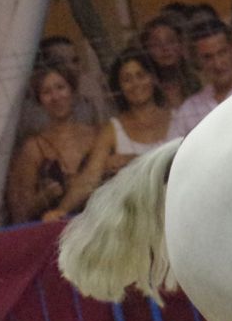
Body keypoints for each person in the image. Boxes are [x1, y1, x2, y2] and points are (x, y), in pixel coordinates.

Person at [43, 49, 174, 221]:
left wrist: (133, 161)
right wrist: (61, 210)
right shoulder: (113, 129)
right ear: (119, 87)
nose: (135, 84)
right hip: (138, 219)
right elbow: (90, 177)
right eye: (127, 79)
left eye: (141, 75)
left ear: (153, 78)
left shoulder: (178, 116)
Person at [6, 62, 100, 223]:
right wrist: (44, 198)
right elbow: (20, 212)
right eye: (46, 92)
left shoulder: (97, 135)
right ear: (39, 100)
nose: (55, 97)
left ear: (72, 91)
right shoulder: (34, 147)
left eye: (60, 87)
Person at [169, 21, 232, 138]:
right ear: (197, 60)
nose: (217, 64)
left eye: (222, 53)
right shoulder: (189, 109)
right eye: (208, 57)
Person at [16, 35, 106, 137]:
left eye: (75, 60)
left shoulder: (86, 104)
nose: (72, 67)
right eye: (61, 62)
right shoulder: (32, 115)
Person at [140, 13, 198, 108]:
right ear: (146, 50)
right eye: (156, 44)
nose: (165, 48)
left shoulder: (199, 83)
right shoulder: (143, 90)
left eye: (170, 41)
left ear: (181, 45)